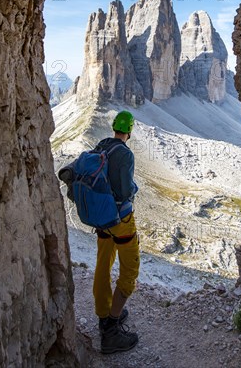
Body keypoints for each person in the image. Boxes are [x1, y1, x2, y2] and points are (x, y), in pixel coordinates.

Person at [93, 110, 140, 354]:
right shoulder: (125, 154)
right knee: (129, 270)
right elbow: (124, 191)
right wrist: (134, 188)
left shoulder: (101, 145)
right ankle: (111, 330)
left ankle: (104, 315)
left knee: (103, 264)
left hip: (101, 220)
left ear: (114, 128)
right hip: (120, 220)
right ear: (129, 132)